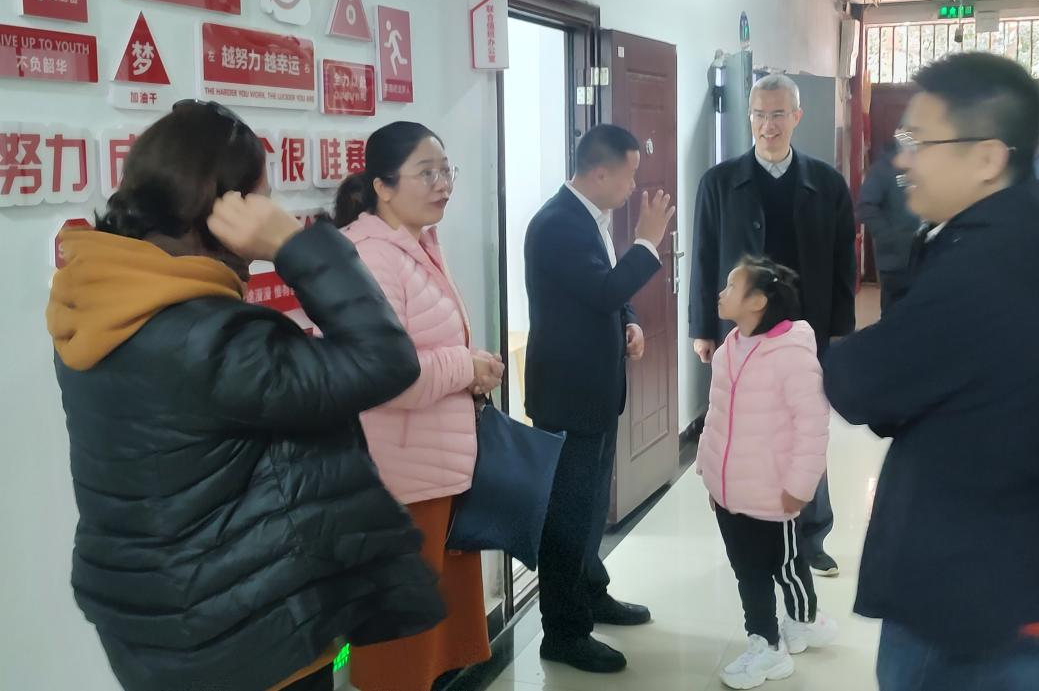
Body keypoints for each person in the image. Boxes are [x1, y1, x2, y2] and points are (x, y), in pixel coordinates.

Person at [45, 100, 444, 691]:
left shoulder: (100, 301)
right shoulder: (213, 339)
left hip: (147, 621)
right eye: (263, 197)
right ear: (225, 208)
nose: (271, 210)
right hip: (244, 631)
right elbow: (386, 360)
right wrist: (294, 245)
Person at [823, 54, 1039, 691]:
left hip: (970, 591)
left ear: (986, 157)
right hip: (1029, 565)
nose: (904, 160)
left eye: (921, 142)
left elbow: (862, 383)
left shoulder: (988, 263)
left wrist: (820, 350)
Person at [334, 122, 500, 691]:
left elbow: (423, 348)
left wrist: (470, 368)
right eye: (426, 173)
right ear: (382, 186)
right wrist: (466, 368)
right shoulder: (370, 257)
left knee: (431, 641)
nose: (443, 185)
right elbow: (385, 377)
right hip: (398, 481)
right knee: (399, 648)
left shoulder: (418, 244)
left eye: (446, 171)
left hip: (433, 471)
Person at [689, 73, 856, 577]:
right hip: (743, 334)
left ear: (797, 116)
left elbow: (843, 261)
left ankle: (812, 534)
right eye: (759, 115)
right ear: (749, 117)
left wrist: (841, 329)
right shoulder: (719, 183)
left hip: (806, 330)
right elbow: (703, 257)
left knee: (806, 426)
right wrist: (702, 327)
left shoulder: (827, 184)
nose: (768, 125)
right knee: (747, 429)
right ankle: (753, 528)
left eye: (778, 114)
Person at [524, 124, 675, 674]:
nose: (635, 185)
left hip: (597, 389)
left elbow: (605, 293)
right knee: (567, 516)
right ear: (601, 172)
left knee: (589, 507)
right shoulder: (558, 224)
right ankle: (563, 632)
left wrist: (629, 320)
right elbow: (603, 287)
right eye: (630, 174)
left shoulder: (591, 218)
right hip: (568, 395)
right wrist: (648, 242)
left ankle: (591, 593)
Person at [699, 256, 838, 689]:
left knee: (778, 566)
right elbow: (716, 416)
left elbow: (812, 426)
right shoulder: (729, 348)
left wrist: (800, 487)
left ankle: (778, 639)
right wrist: (710, 471)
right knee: (751, 568)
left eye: (731, 286)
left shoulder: (792, 356)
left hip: (770, 495)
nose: (721, 293)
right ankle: (779, 632)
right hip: (730, 491)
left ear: (758, 301)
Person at [857, 137, 921, 313]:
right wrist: (890, 236)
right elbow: (865, 207)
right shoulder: (882, 170)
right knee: (893, 312)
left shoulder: (925, 167)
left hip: (924, 258)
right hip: (894, 261)